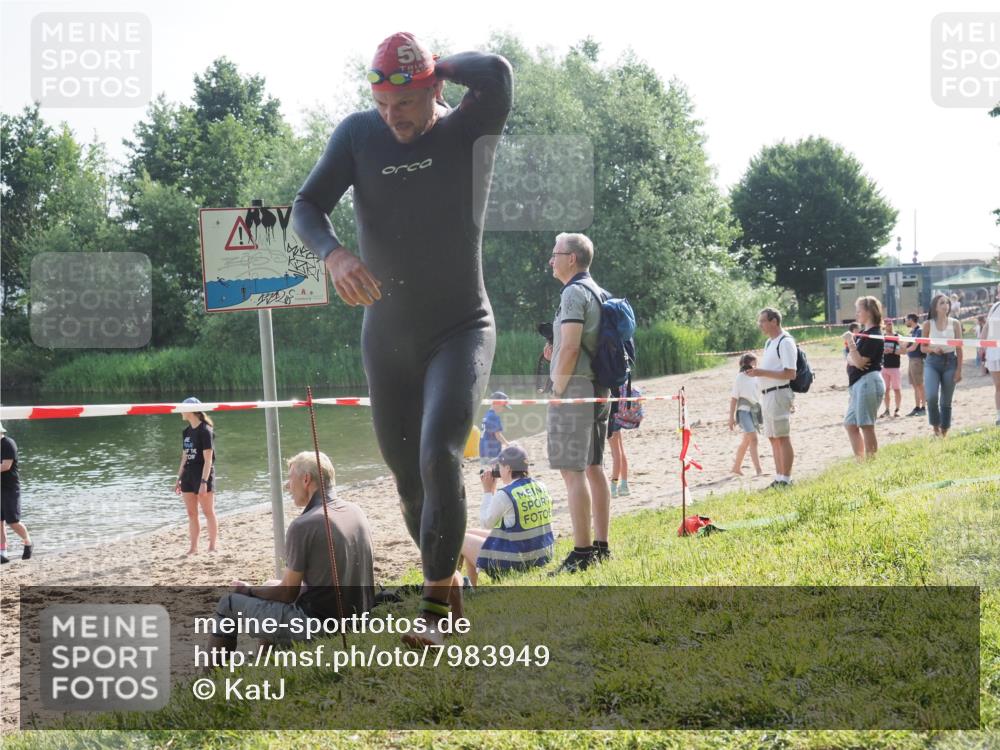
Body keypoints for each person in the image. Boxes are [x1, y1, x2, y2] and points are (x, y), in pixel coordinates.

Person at [292, 32, 512, 637]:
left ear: (435, 89)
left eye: (406, 103)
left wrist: (435, 64)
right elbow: (306, 206)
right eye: (383, 105)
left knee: (440, 455)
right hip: (387, 336)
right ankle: (449, 587)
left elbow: (496, 72)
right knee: (409, 481)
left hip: (462, 328)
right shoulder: (358, 135)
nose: (393, 117)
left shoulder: (469, 130)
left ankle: (433, 612)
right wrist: (334, 254)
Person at [208, 451, 375, 657]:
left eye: (290, 478)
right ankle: (264, 661)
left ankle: (212, 674)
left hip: (321, 627)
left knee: (228, 604)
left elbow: (287, 594)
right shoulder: (356, 511)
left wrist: (247, 590)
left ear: (306, 479)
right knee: (270, 584)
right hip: (358, 618)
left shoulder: (304, 525)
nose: (287, 486)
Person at [545, 232, 612, 572]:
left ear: (571, 258)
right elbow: (575, 344)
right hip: (599, 388)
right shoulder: (599, 291)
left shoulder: (572, 292)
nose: (551, 261)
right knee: (594, 467)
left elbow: (572, 347)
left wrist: (557, 390)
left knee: (572, 472)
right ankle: (601, 546)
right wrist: (554, 352)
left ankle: (582, 553)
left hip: (574, 390)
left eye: (555, 254)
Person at [461, 443, 554, 587]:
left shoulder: (505, 494)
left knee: (461, 539)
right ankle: (472, 586)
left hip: (516, 562)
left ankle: (451, 585)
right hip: (542, 555)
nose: (498, 470)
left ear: (508, 469)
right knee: (470, 533)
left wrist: (488, 492)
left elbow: (486, 523)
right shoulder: (541, 486)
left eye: (500, 466)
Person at [746, 308, 797, 488]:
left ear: (774, 321)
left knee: (782, 436)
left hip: (779, 392)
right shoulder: (770, 342)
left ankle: (787, 479)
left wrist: (761, 372)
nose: (760, 325)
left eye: (763, 321)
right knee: (773, 437)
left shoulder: (785, 342)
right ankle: (779, 477)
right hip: (767, 394)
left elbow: (790, 373)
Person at [843, 297, 886, 460]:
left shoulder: (874, 335)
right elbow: (852, 359)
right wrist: (853, 357)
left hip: (868, 382)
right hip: (858, 384)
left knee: (866, 425)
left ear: (868, 312)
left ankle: (871, 461)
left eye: (859, 310)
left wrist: (850, 342)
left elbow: (859, 362)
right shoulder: (864, 334)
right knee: (850, 424)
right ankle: (861, 461)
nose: (856, 314)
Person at [175, 397, 218, 555]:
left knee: (208, 512)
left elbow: (208, 460)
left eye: (182, 408)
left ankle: (212, 546)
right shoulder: (186, 432)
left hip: (202, 475)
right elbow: (185, 457)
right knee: (191, 514)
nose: (180, 411)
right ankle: (193, 548)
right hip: (188, 476)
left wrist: (204, 482)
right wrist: (178, 478)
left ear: (191, 411)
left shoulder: (205, 431)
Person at [921, 292, 964, 437]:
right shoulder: (928, 324)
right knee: (931, 396)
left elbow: (959, 348)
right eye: (942, 303)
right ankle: (935, 427)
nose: (945, 305)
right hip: (932, 363)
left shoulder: (955, 323)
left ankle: (944, 431)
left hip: (951, 362)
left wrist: (959, 370)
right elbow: (922, 348)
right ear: (935, 307)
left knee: (946, 400)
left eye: (947, 303)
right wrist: (933, 349)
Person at [1, 423, 31, 564]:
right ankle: (2, 553)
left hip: (10, 488)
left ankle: (28, 542)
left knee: (13, 521)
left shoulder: (8, 443)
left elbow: (6, 466)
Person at [729, 353, 763, 477]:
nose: (756, 366)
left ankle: (736, 467)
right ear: (747, 364)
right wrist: (731, 418)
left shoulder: (757, 377)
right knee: (754, 439)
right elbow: (734, 399)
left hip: (754, 412)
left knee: (746, 441)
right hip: (743, 412)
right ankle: (759, 470)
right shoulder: (740, 377)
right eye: (754, 363)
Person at [608, 383, 642, 497]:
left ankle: (613, 487)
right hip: (620, 415)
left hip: (612, 416)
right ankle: (624, 485)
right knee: (620, 451)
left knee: (616, 453)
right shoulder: (620, 376)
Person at [903, 313, 926, 417]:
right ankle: (917, 407)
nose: (905, 321)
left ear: (911, 320)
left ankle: (923, 407)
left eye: (906, 319)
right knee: (915, 385)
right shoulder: (913, 331)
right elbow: (905, 345)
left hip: (917, 360)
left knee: (919, 384)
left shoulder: (919, 331)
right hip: (911, 360)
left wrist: (902, 351)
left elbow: (914, 347)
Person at [479, 392, 511, 465]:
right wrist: (507, 444)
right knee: (495, 470)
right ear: (497, 403)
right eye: (503, 405)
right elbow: (497, 435)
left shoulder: (487, 415)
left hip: (483, 450)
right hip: (491, 451)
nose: (503, 408)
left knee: (486, 469)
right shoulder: (494, 417)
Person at [880, 319, 903, 418]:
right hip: (884, 367)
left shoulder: (897, 337)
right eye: (887, 324)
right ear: (884, 326)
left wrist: (892, 351)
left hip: (895, 367)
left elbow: (903, 351)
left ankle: (897, 409)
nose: (889, 326)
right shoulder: (882, 337)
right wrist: (883, 351)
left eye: (890, 324)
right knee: (886, 390)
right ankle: (887, 410)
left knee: (897, 389)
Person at [985, 284, 1000, 426]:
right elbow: (987, 326)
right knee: (998, 386)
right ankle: (999, 415)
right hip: (993, 351)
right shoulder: (995, 306)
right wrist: (981, 345)